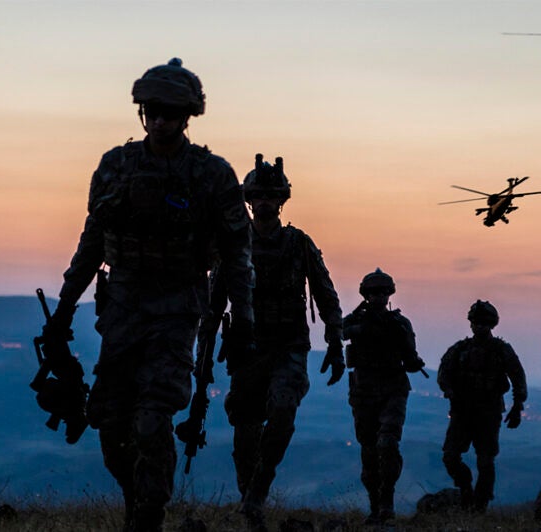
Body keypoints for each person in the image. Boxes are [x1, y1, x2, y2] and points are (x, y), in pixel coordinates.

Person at [44, 58, 255, 532]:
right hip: (121, 306)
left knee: (152, 416)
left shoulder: (212, 175)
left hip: (178, 307)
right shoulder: (116, 166)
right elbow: (91, 240)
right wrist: (63, 308)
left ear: (187, 116)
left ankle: (148, 517)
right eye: (152, 111)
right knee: (111, 421)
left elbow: (236, 254)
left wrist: (243, 320)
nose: (159, 121)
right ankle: (135, 501)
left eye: (169, 112)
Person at [207, 154, 344, 527]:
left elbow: (325, 294)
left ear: (281, 200)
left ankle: (258, 491)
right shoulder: (235, 245)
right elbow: (214, 300)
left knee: (283, 410)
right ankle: (248, 501)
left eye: (272, 196)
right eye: (259, 196)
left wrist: (335, 341)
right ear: (250, 201)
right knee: (246, 429)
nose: (265, 202)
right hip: (248, 349)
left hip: (289, 345)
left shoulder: (298, 244)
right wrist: (203, 346)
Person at [342, 268, 426, 524]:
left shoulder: (399, 323)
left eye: (382, 292)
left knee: (387, 444)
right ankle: (375, 508)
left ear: (389, 294)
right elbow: (339, 333)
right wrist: (362, 325)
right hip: (364, 391)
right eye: (373, 293)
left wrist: (410, 358)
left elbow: (410, 359)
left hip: (392, 389)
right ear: (366, 295)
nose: (378, 297)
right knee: (369, 451)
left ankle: (386, 505)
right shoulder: (354, 322)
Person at [436, 300, 527, 512]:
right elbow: (443, 375)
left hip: (489, 411)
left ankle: (480, 504)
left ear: (492, 325)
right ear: (471, 324)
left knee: (486, 461)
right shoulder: (459, 350)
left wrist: (517, 406)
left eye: (484, 323)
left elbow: (517, 377)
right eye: (476, 322)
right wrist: (449, 391)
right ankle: (466, 488)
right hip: (462, 411)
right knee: (450, 456)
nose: (479, 327)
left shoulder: (501, 350)